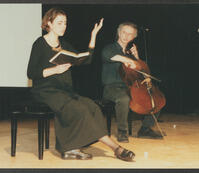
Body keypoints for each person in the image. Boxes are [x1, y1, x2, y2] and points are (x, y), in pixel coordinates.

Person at [27, 8, 135, 161]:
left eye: (65, 23)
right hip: (45, 90)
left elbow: (86, 59)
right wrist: (55, 70)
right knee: (78, 109)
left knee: (93, 107)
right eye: (59, 23)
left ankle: (73, 147)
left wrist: (93, 36)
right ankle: (115, 148)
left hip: (64, 91)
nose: (63, 26)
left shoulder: (64, 44)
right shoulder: (39, 43)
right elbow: (31, 73)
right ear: (49, 23)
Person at [101, 22, 164, 143]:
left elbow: (142, 71)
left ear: (133, 37)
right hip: (112, 88)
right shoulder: (110, 48)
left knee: (155, 98)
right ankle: (122, 132)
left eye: (130, 34)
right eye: (124, 32)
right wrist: (127, 59)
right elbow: (108, 55)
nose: (126, 36)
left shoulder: (132, 53)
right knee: (124, 98)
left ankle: (145, 129)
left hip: (131, 86)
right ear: (119, 33)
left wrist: (137, 59)